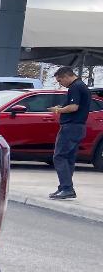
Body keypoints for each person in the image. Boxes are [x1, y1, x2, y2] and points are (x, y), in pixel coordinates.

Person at [48, 66, 91, 200]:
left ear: (67, 76)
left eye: (60, 80)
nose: (61, 84)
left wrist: (57, 110)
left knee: (59, 156)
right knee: (69, 158)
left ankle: (67, 188)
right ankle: (64, 187)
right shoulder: (82, 86)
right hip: (79, 127)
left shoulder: (75, 87)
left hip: (71, 126)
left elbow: (74, 107)